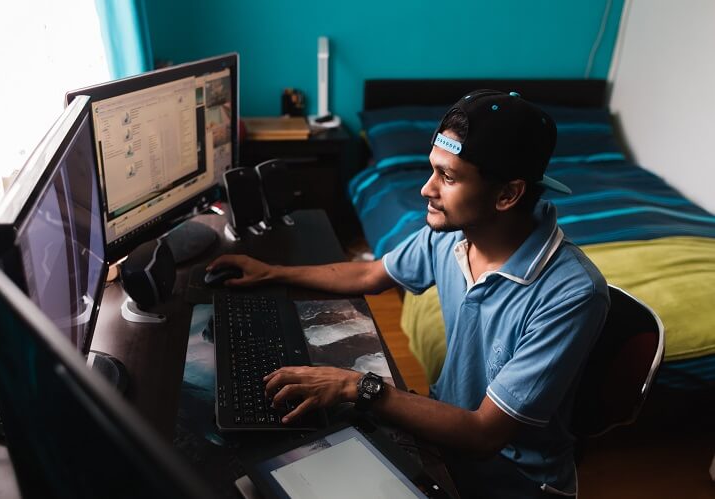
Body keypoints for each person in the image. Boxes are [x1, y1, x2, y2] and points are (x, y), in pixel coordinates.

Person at [207, 90, 609, 498]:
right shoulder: (455, 236)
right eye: (431, 170)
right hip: (443, 435)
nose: (426, 190)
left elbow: (486, 433)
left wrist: (355, 386)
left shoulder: (571, 294)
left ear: (508, 195)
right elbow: (369, 274)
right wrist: (272, 272)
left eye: (448, 178)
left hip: (511, 478)